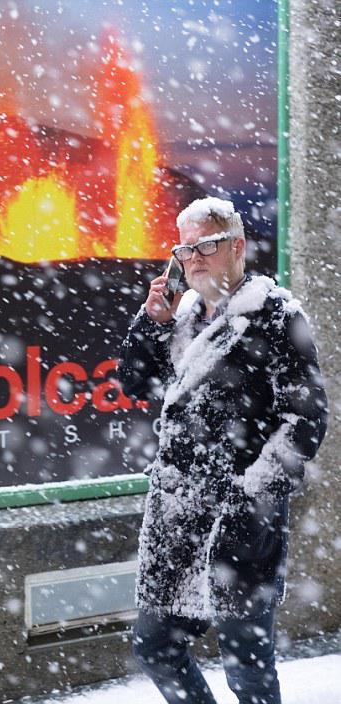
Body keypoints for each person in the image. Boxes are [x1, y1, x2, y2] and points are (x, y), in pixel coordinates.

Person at [117, 197, 328, 704]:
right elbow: (133, 381)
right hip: (177, 516)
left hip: (241, 519)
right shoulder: (182, 317)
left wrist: (251, 496)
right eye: (184, 249)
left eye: (207, 245)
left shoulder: (276, 315)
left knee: (247, 670)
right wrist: (153, 321)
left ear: (237, 246)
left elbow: (306, 419)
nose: (194, 258)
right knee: (155, 646)